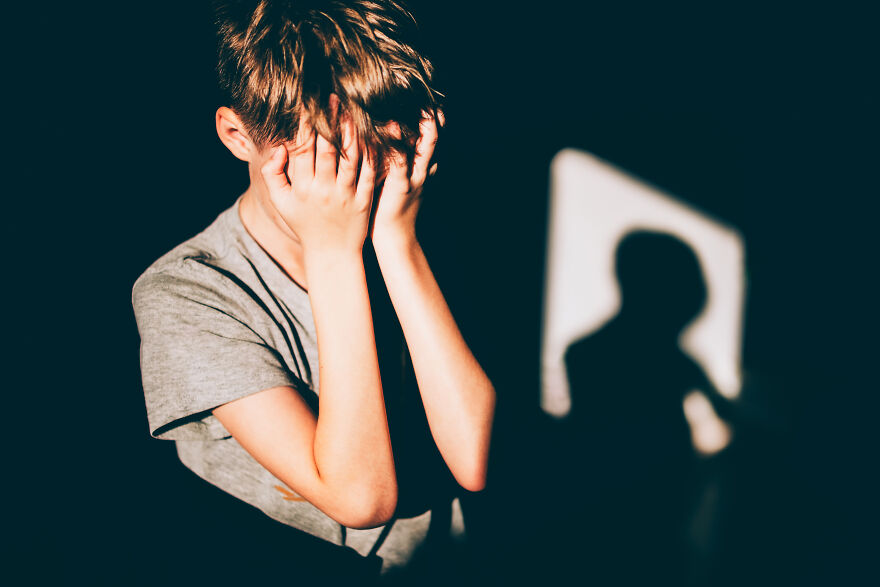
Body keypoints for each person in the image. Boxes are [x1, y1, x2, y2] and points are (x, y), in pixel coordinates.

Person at [131, 0, 496, 582]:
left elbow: (476, 460)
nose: (358, 182)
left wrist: (399, 242)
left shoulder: (400, 219)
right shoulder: (187, 292)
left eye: (377, 153)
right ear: (237, 135)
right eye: (329, 155)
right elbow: (359, 496)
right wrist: (332, 253)